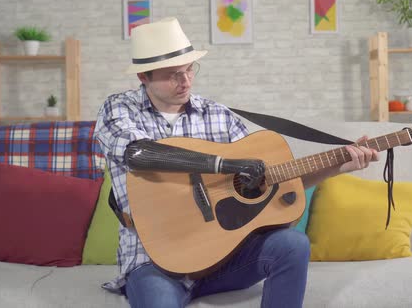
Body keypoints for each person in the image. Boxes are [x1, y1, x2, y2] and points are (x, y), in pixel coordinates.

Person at [94, 17, 379, 308]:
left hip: (224, 256)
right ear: (144, 77)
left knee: (292, 245)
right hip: (154, 261)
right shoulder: (119, 108)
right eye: (172, 75)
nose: (186, 81)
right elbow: (138, 154)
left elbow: (271, 182)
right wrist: (224, 165)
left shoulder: (218, 114)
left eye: (190, 69)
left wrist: (337, 166)